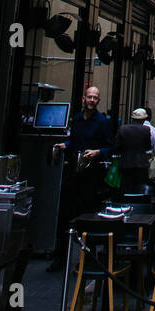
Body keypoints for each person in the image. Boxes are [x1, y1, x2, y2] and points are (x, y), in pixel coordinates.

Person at [51, 86, 114, 266]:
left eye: (95, 97)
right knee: (64, 215)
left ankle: (88, 257)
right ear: (83, 99)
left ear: (98, 100)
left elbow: (111, 146)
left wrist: (97, 152)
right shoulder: (77, 120)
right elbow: (75, 140)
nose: (92, 100)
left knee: (88, 216)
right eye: (89, 97)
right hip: (73, 171)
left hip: (91, 175)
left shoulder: (102, 122)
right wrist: (66, 144)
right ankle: (60, 255)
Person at [115, 108, 153, 194]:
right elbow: (148, 146)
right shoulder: (146, 130)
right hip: (141, 164)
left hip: (126, 163)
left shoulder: (122, 129)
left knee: (126, 189)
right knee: (140, 190)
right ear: (144, 119)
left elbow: (117, 146)